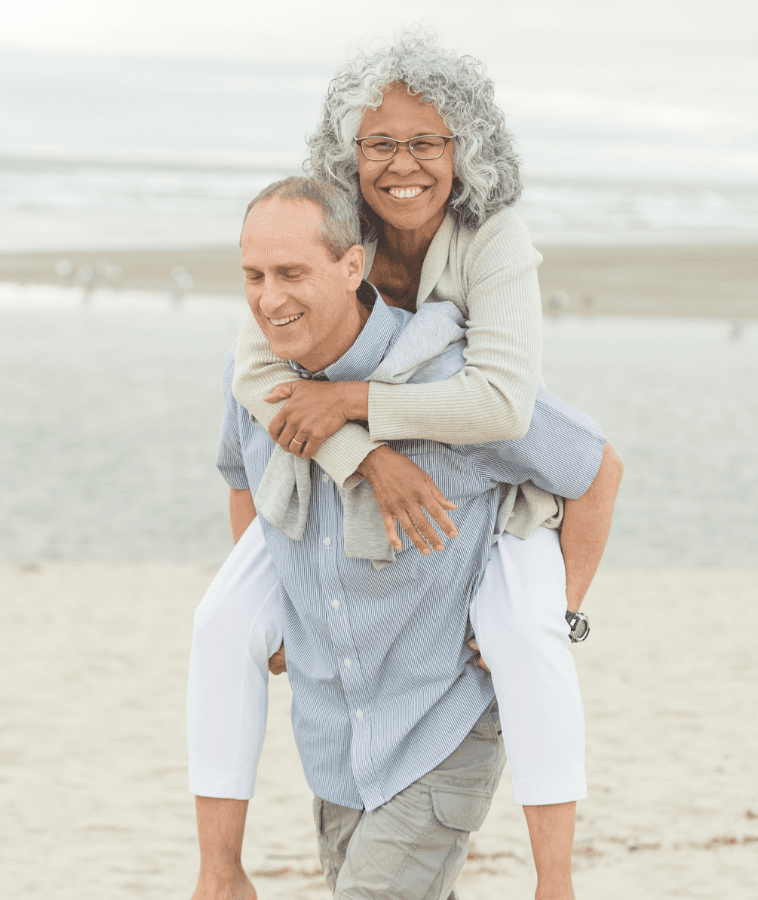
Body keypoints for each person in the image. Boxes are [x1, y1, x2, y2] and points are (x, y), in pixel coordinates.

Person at [191, 35, 622, 900]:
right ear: (349, 154)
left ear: (464, 150)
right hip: (343, 727)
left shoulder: (487, 246)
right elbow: (256, 396)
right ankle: (217, 867)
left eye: (428, 141)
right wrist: (364, 458)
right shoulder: (304, 261)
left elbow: (511, 410)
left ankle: (557, 882)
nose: (403, 163)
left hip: (451, 649)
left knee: (525, 638)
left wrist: (362, 413)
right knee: (218, 624)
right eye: (380, 142)